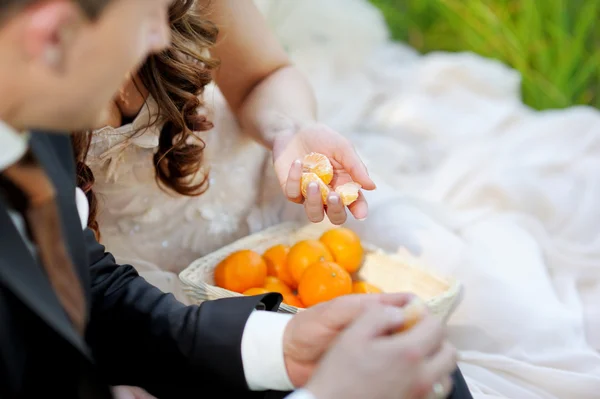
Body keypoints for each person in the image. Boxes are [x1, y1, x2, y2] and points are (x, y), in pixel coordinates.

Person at [0, 1, 468, 399]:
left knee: (423, 364)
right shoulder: (50, 113)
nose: (163, 35)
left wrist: (281, 347)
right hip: (148, 266)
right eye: (147, 15)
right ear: (54, 34)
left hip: (214, 258)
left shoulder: (29, 105)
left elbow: (93, 293)